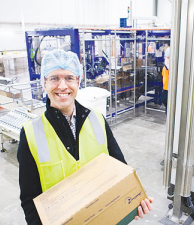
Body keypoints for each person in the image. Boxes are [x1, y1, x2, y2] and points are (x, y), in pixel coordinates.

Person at [17, 49, 153, 224]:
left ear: (79, 82)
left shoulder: (97, 118)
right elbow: (30, 200)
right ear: (44, 83)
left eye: (69, 78)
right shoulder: (30, 133)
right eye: (54, 78)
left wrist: (135, 200)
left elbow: (121, 170)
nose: (63, 86)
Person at [161, 42, 170, 114]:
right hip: (166, 89)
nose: (168, 59)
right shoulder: (165, 67)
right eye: (167, 57)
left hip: (170, 90)